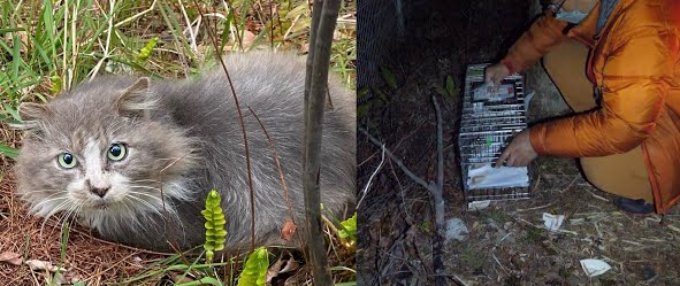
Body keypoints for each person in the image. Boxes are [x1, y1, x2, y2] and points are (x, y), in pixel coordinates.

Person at [485, 0, 680, 214]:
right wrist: (510, 63)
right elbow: (555, 23)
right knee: (561, 57)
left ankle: (650, 189)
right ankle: (595, 126)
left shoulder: (646, 29)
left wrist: (535, 142)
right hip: (648, 97)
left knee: (598, 165)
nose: (553, 6)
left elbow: (622, 129)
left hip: (670, 124)